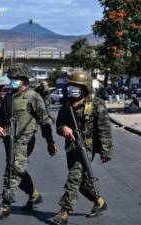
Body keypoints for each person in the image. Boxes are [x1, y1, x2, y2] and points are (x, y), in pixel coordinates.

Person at [0, 63, 58, 220]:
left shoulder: (33, 97)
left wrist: (50, 142)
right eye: (11, 78)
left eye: (16, 78)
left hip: (25, 139)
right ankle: (33, 194)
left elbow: (45, 121)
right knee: (16, 168)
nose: (12, 80)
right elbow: (0, 119)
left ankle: (5, 205)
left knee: (14, 169)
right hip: (9, 140)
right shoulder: (8, 98)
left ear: (24, 80)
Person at [49, 71, 113, 225]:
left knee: (74, 176)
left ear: (85, 87)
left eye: (76, 86)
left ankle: (65, 211)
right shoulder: (67, 104)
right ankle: (100, 202)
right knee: (82, 181)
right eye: (71, 85)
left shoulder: (96, 104)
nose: (72, 88)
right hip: (71, 146)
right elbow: (58, 125)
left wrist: (106, 150)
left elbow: (104, 128)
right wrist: (64, 128)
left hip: (87, 147)